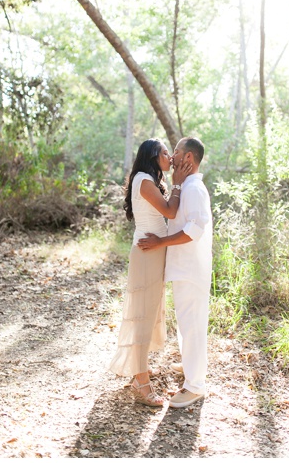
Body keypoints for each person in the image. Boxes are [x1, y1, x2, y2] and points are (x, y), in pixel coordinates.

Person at [108, 138, 191, 407]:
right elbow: (170, 210)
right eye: (166, 153)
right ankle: (141, 382)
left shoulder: (149, 180)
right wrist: (178, 182)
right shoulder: (144, 180)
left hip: (153, 252)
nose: (170, 157)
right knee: (142, 314)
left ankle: (139, 366)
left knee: (151, 310)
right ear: (153, 156)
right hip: (147, 253)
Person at [138, 136, 213, 408]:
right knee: (187, 326)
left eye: (177, 152)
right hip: (185, 269)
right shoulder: (187, 186)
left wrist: (161, 242)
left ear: (188, 159)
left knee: (192, 327)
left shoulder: (193, 189)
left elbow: (195, 230)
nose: (172, 158)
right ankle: (193, 374)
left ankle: (195, 387)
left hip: (191, 269)